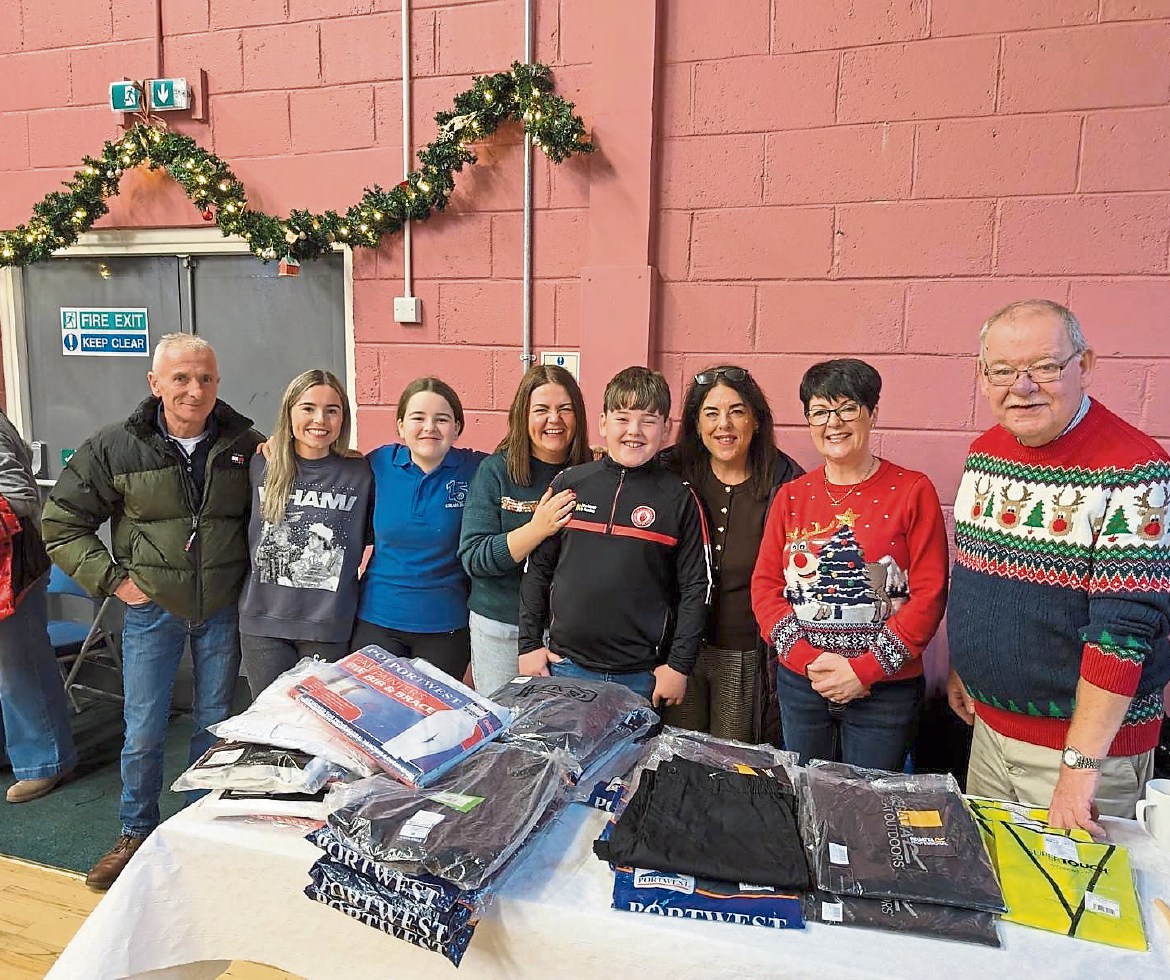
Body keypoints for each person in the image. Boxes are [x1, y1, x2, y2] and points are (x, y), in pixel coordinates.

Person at [41, 334, 262, 889]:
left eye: (206, 378)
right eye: (182, 378)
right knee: (143, 730)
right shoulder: (116, 446)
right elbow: (61, 522)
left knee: (215, 726)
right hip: (151, 613)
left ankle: (202, 827)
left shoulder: (245, 443)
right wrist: (115, 581)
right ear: (155, 383)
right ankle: (135, 831)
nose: (194, 389)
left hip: (222, 611)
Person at [947, 299, 1170, 833]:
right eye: (1001, 370)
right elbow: (980, 581)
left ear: (1084, 365)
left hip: (1082, 757)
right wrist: (967, 662)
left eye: (1045, 366)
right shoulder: (986, 453)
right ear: (982, 376)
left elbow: (1122, 634)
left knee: (1077, 909)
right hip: (989, 734)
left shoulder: (1134, 471)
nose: (1021, 386)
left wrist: (1079, 769)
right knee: (996, 889)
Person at [751, 358, 948, 771]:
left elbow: (929, 595)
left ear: (872, 414)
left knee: (870, 804)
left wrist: (865, 669)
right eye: (820, 412)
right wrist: (807, 659)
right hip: (803, 683)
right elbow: (766, 588)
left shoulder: (912, 490)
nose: (833, 423)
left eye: (848, 409)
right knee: (808, 794)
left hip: (885, 690)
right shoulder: (791, 496)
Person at [518, 366, 711, 706]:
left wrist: (678, 666)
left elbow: (697, 588)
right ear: (604, 423)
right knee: (563, 759)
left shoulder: (679, 498)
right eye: (622, 418)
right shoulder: (569, 485)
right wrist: (529, 644)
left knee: (632, 761)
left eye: (648, 420)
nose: (633, 431)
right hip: (564, 668)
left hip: (642, 676)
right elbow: (538, 569)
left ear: (665, 429)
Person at [662, 365, 803, 742]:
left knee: (732, 763)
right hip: (679, 652)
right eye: (711, 413)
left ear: (756, 420)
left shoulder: (785, 481)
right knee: (679, 758)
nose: (724, 425)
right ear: (695, 423)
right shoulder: (670, 473)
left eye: (737, 411)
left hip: (744, 653)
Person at [237, 370, 374, 698]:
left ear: (343, 418)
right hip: (263, 626)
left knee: (320, 726)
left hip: (327, 627)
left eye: (332, 410)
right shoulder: (260, 465)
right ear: (289, 412)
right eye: (308, 408)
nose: (320, 419)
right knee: (271, 724)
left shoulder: (361, 472)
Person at [458, 365, 591, 696]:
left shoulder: (592, 473)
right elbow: (474, 557)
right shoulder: (496, 472)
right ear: (523, 416)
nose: (554, 420)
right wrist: (538, 528)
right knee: (504, 729)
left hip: (572, 634)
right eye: (541, 410)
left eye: (564, 409)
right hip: (503, 628)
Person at [351, 377, 485, 678]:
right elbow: (321, 462)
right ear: (400, 425)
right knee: (375, 718)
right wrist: (274, 447)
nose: (429, 427)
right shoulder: (378, 463)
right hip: (376, 619)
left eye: (442, 419)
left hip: (445, 627)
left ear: (457, 428)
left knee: (434, 723)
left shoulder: (477, 470)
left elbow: (524, 463)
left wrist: (585, 457)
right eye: (418, 418)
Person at [0, 409, 78, 804]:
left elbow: (19, 495)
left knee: (21, 666)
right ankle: (12, 749)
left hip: (13, 570)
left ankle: (45, 761)